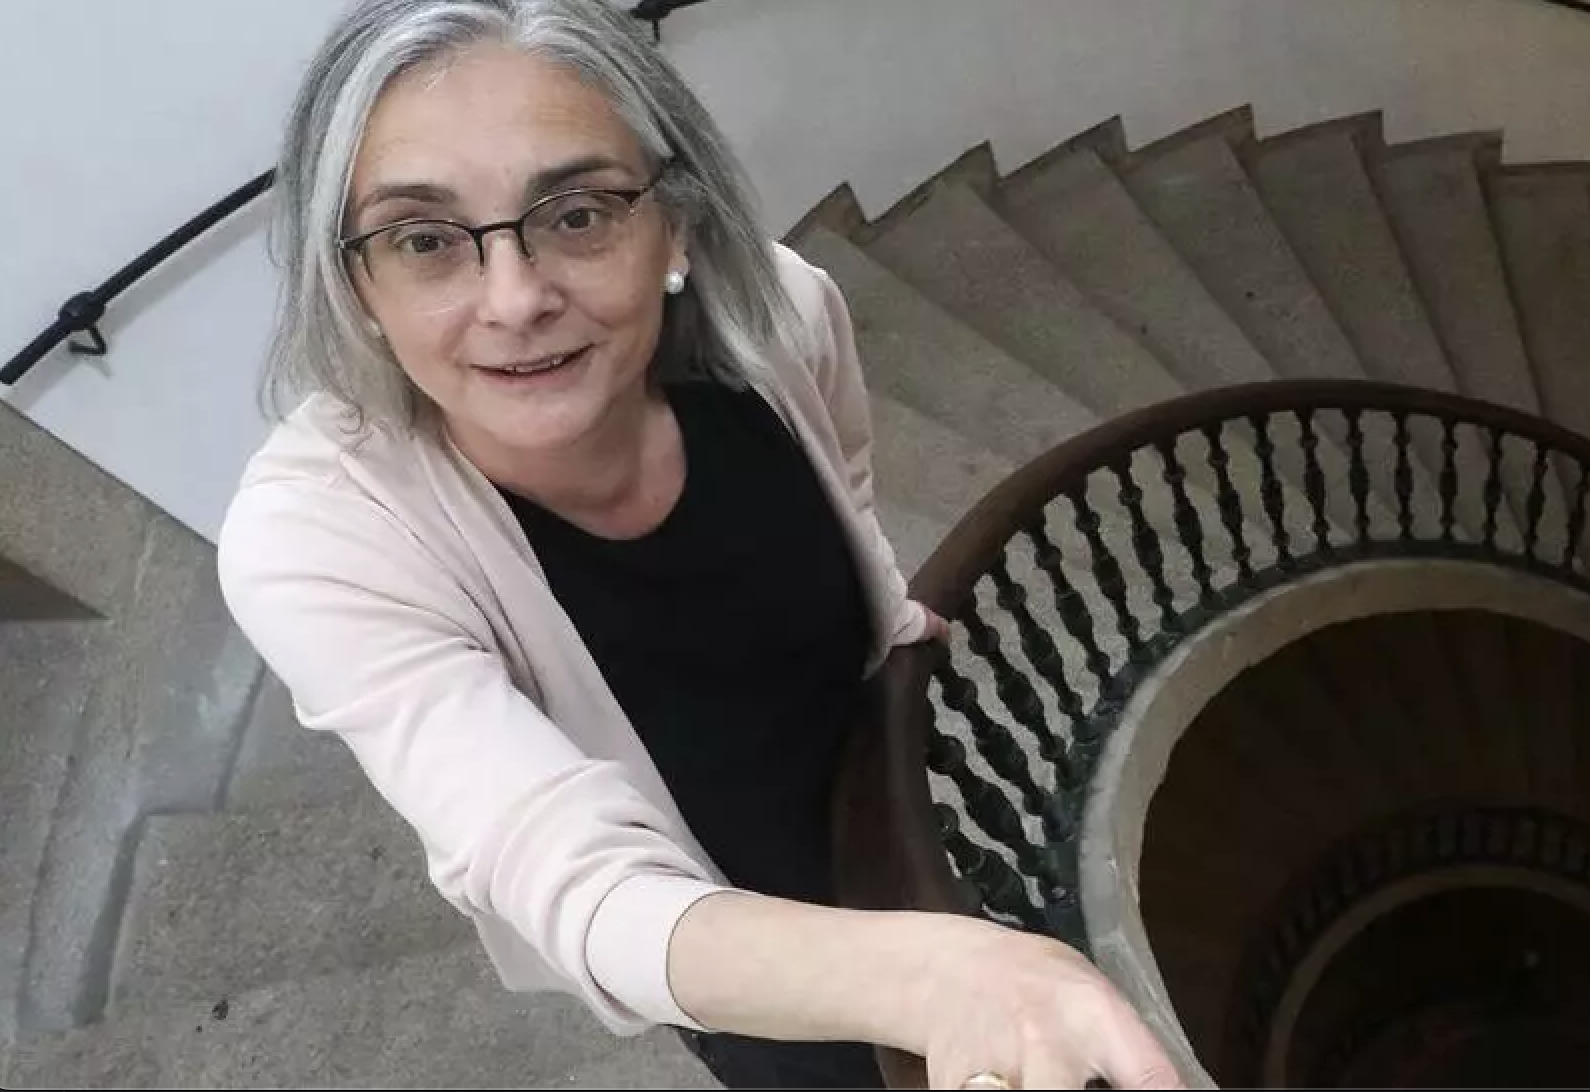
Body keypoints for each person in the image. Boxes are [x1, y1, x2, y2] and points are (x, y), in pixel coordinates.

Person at [217, 0, 1186, 1087]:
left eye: (579, 214)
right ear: (355, 283)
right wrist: (936, 978)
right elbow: (573, 875)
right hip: (716, 938)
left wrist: (886, 605)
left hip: (877, 769)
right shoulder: (317, 541)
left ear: (674, 226)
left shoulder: (784, 319)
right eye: (425, 241)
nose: (516, 298)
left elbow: (846, 478)